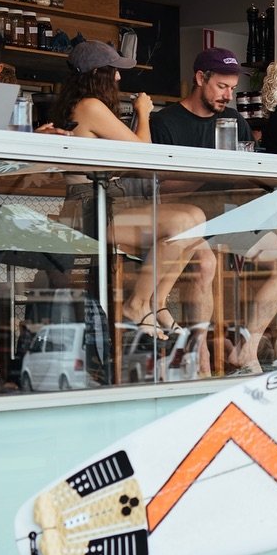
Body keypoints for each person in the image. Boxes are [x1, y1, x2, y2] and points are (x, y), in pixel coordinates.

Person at [49, 40, 213, 341]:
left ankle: (156, 303)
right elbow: (143, 157)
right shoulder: (91, 106)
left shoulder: (84, 107)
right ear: (99, 73)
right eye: (114, 71)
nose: (119, 78)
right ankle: (137, 305)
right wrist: (144, 113)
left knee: (195, 219)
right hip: (90, 212)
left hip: (107, 206)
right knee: (183, 222)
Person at [149, 46, 252, 147]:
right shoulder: (164, 123)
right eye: (222, 86)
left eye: (232, 88)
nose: (229, 97)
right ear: (201, 78)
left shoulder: (234, 120)